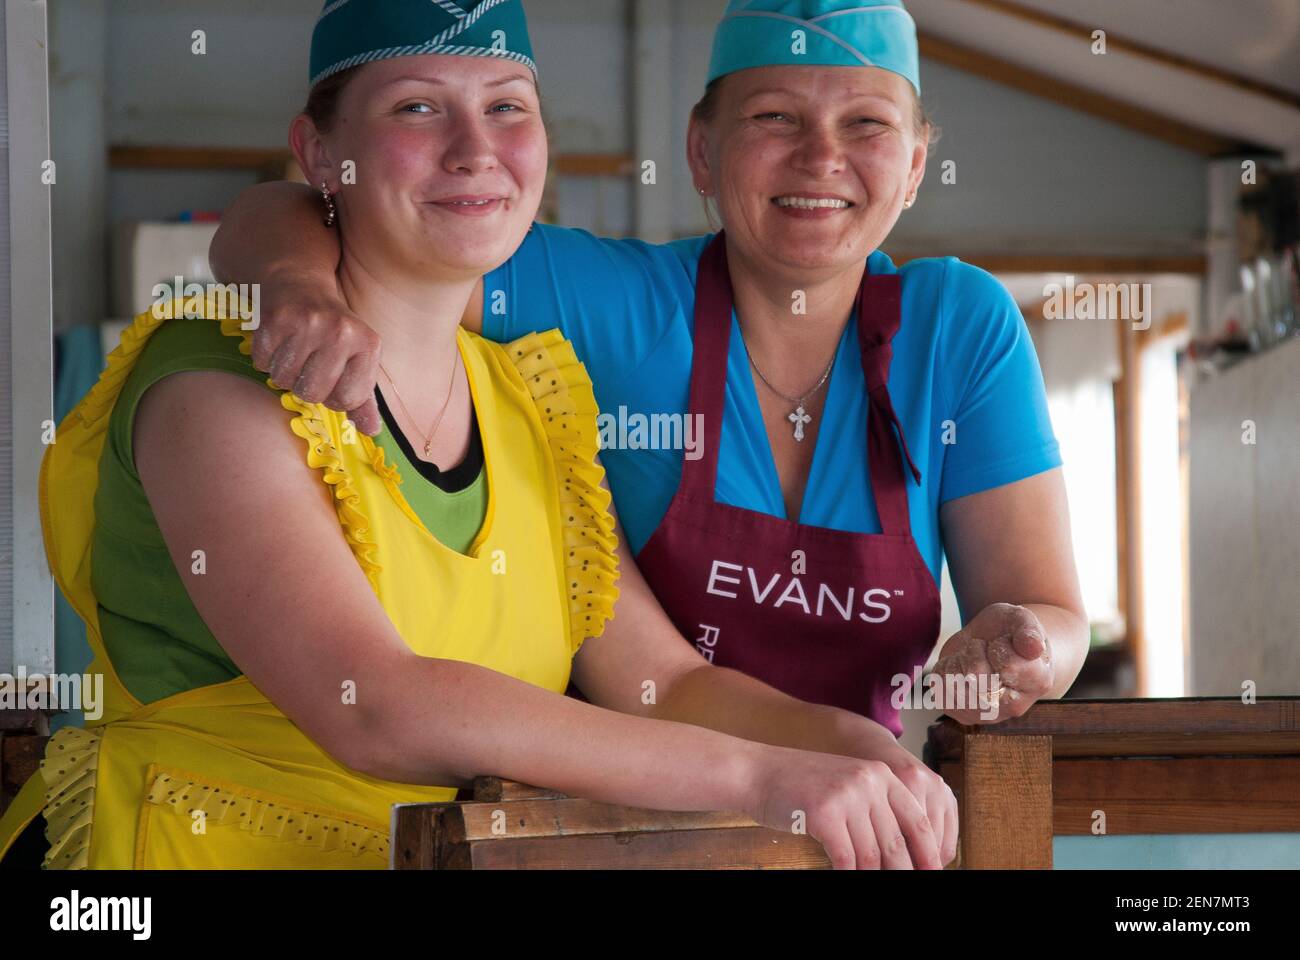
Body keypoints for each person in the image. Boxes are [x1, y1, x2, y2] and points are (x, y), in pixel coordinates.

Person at [0, 0, 961, 871]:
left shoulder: (530, 404)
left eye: (508, 107)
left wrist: (849, 745)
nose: (475, 149)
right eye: (417, 109)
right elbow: (374, 705)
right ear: (317, 153)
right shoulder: (215, 383)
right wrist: (759, 780)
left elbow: (665, 679)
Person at [209, 0, 1089, 735]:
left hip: (869, 816)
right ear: (702, 153)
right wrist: (290, 284)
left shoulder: (959, 328)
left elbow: (1048, 612)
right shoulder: (611, 302)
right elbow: (324, 211)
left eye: (867, 124)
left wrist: (1023, 648)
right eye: (774, 117)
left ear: (914, 169)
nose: (821, 158)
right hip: (611, 827)